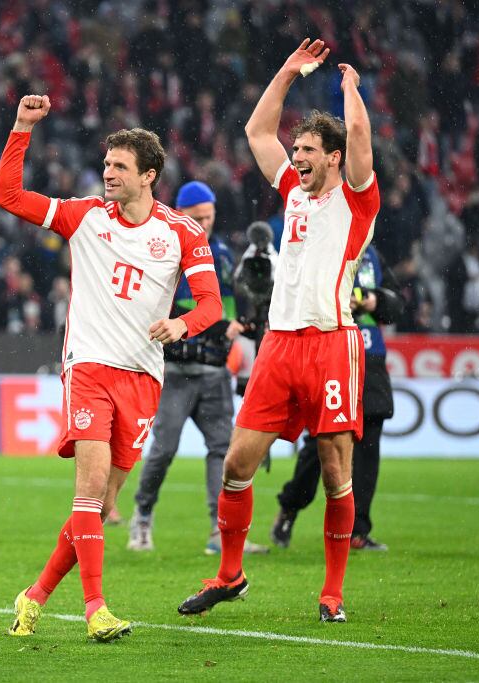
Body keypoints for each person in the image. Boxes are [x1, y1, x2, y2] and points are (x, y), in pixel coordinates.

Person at [0, 95, 222, 642]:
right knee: (90, 491)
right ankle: (96, 609)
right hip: (90, 367)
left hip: (143, 377)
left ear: (149, 175)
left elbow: (211, 303)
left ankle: (34, 596)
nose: (107, 174)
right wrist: (23, 127)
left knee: (101, 504)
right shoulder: (86, 216)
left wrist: (181, 326)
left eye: (119, 167)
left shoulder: (182, 233)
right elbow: (6, 194)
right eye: (106, 165)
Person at [178, 39, 379, 625]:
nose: (296, 157)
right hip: (279, 346)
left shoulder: (357, 200)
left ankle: (333, 592)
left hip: (331, 344)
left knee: (336, 469)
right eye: (297, 150)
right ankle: (230, 575)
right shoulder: (291, 190)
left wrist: (350, 95)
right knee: (239, 464)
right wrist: (288, 74)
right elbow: (256, 132)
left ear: (335, 157)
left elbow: (362, 141)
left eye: (309, 149)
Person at [126, 181, 268, 556]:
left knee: (222, 450)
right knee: (164, 449)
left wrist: (240, 322)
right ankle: (142, 515)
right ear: (180, 213)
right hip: (176, 370)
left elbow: (230, 303)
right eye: (196, 217)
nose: (204, 224)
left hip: (214, 370)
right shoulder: (161, 248)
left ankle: (219, 531)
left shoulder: (220, 254)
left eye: (209, 216)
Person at [270, 244, 402, 552]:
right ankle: (290, 505)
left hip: (370, 361)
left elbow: (397, 305)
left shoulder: (372, 255)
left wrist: (374, 300)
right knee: (321, 446)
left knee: (368, 447)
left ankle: (358, 531)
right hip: (330, 356)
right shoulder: (319, 245)